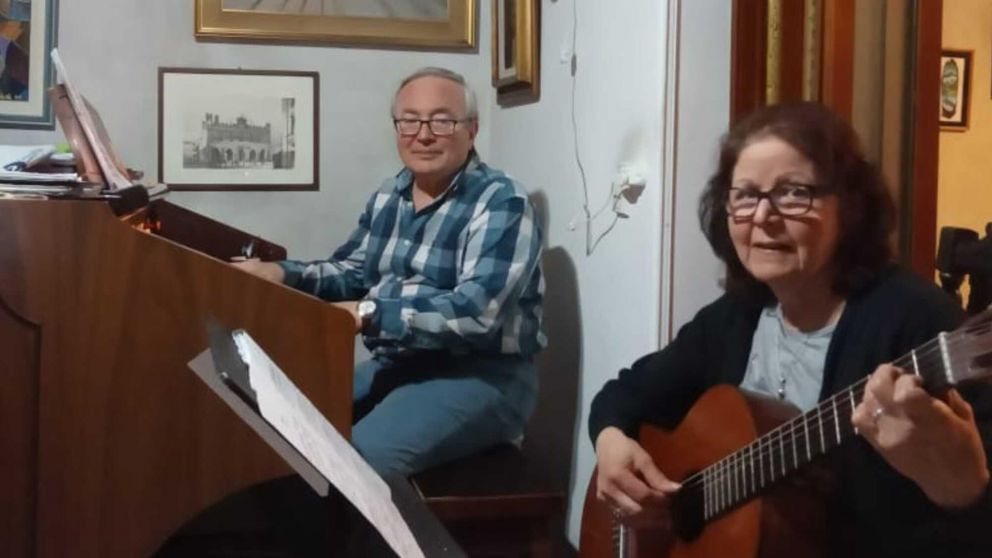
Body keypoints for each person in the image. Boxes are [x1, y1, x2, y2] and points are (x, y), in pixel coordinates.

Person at [588, 102, 991, 557]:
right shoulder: (734, 318)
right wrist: (610, 440)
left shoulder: (915, 320)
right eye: (745, 195)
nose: (763, 216)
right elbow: (623, 395)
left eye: (794, 193)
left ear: (849, 207)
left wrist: (964, 490)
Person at [236, 67, 546, 477]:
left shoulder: (502, 201)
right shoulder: (389, 195)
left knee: (355, 465)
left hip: (483, 374)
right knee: (284, 420)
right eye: (410, 121)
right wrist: (281, 273)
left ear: (471, 130)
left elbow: (477, 313)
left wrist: (368, 313)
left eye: (442, 121)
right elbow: (352, 272)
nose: (423, 135)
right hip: (400, 363)